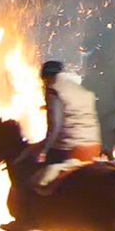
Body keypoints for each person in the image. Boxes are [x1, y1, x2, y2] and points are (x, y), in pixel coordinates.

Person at [19, 61, 101, 194]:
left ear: (46, 77)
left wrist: (44, 150)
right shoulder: (80, 90)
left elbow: (55, 125)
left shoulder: (53, 89)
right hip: (93, 148)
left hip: (70, 149)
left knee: (36, 178)